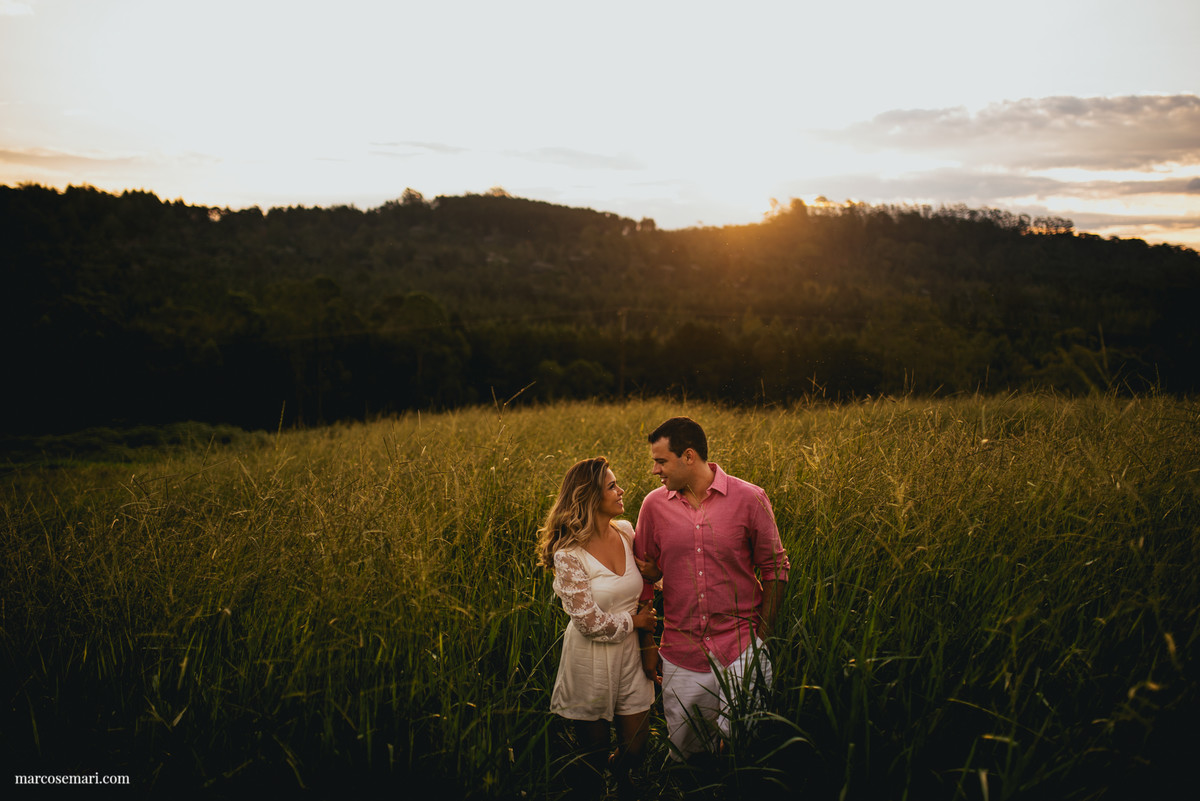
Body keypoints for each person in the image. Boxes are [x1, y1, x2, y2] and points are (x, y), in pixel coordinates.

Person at [633, 416, 789, 762]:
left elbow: (776, 568)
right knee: (687, 752)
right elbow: (643, 575)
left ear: (688, 456)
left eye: (661, 461)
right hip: (681, 649)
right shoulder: (653, 506)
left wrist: (761, 639)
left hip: (741, 646)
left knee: (743, 749)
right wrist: (648, 643)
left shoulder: (750, 498)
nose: (655, 470)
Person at [537, 456, 658, 800]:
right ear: (590, 496)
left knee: (636, 748)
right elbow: (588, 622)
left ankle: (620, 777)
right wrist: (635, 621)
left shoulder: (626, 532)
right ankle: (593, 789)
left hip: (631, 655)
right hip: (590, 659)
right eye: (612, 486)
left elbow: (645, 583)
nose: (621, 491)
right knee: (593, 755)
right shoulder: (569, 554)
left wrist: (657, 574)